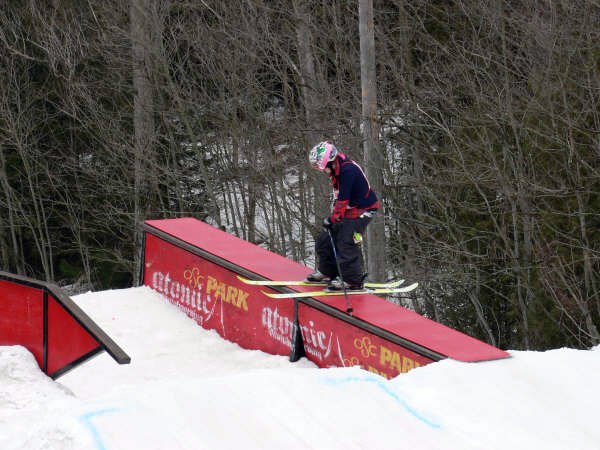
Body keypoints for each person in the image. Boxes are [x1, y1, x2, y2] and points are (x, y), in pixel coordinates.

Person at [306, 140, 380, 290]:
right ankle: (328, 270)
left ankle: (353, 280)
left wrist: (333, 218)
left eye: (322, 168)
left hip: (364, 210)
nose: (322, 171)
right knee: (325, 238)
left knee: (346, 240)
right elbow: (340, 199)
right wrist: (333, 219)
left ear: (329, 163)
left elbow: (343, 199)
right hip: (350, 209)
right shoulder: (337, 169)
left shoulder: (348, 171)